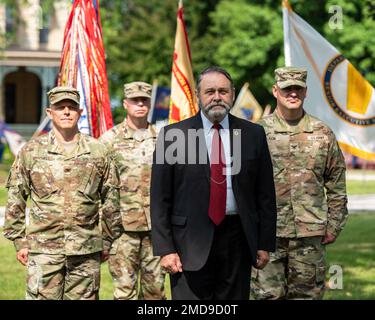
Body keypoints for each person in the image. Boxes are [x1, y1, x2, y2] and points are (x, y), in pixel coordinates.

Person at [151, 66, 277, 300]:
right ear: (198, 95)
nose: (217, 97)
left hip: (238, 240)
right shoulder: (173, 135)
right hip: (188, 243)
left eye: (223, 91)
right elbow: (159, 198)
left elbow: (265, 194)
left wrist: (264, 243)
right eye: (210, 91)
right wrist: (165, 249)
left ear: (232, 93)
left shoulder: (253, 134)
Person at [3, 86, 121, 300]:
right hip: (43, 251)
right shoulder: (31, 151)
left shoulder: (99, 151)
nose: (66, 111)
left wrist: (107, 241)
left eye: (71, 107)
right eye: (60, 107)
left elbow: (112, 200)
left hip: (86, 251)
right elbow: (15, 199)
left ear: (80, 112)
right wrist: (20, 241)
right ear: (50, 113)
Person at [251, 67, 349, 300]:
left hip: (309, 237)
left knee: (307, 297)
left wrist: (333, 225)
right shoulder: (256, 132)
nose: (292, 93)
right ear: (276, 91)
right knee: (267, 297)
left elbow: (336, 184)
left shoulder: (321, 133)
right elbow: (242, 185)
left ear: (306, 92)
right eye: (287, 89)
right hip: (267, 236)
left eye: (298, 88)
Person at [100, 81, 166, 300]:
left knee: (155, 292)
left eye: (144, 100)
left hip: (156, 230)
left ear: (150, 103)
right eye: (135, 100)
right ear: (126, 103)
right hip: (121, 231)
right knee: (124, 292)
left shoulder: (164, 138)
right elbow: (99, 186)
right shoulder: (109, 140)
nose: (140, 104)